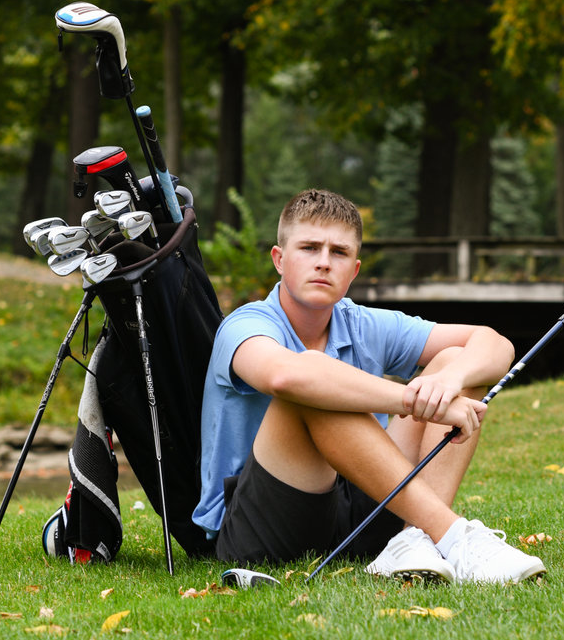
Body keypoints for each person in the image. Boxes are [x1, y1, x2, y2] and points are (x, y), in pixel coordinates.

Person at [193, 189, 546, 583]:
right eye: (309, 248)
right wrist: (413, 401)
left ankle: (415, 540)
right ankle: (450, 534)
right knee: (313, 384)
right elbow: (286, 377)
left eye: (339, 253)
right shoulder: (245, 326)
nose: (324, 263)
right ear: (279, 259)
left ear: (354, 269)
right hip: (262, 526)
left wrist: (450, 382)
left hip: (358, 507)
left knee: (453, 362)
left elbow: (494, 343)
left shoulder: (362, 322)